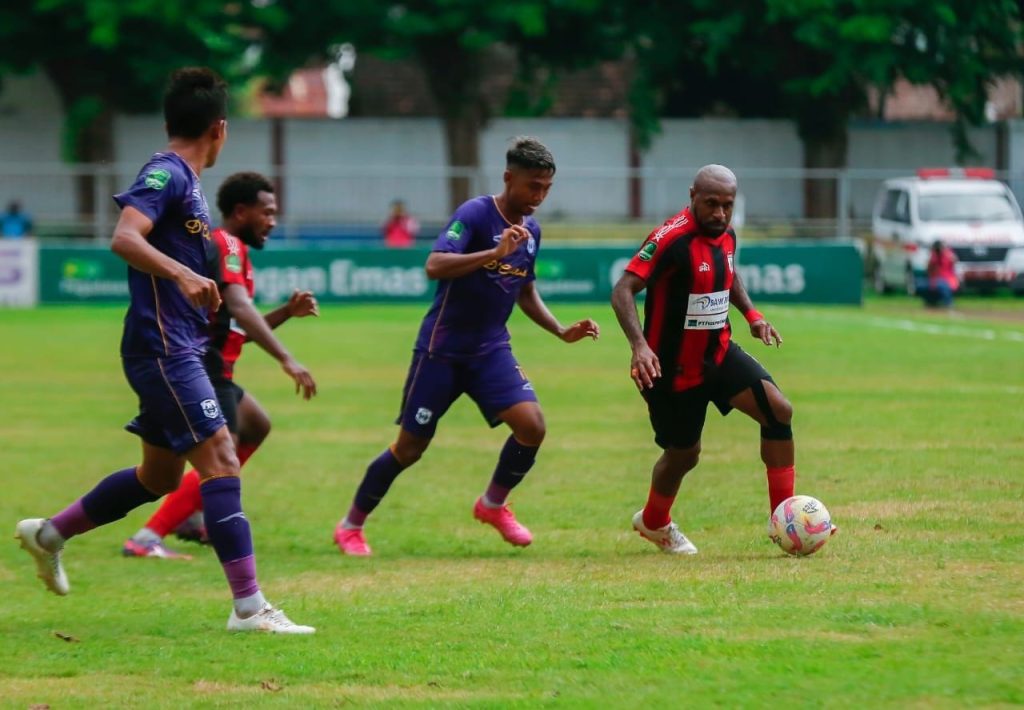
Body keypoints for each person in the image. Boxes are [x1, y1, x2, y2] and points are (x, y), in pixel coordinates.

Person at [13, 68, 314, 633]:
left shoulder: (191, 186)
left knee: (159, 477)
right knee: (223, 460)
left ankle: (49, 533)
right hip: (162, 349)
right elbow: (124, 237)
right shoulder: (166, 173)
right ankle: (249, 607)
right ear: (219, 128)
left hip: (179, 348)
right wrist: (179, 273)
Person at [334, 136, 600, 556]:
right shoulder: (475, 214)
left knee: (532, 426)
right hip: (442, 351)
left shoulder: (531, 231)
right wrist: (492, 251)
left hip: (491, 350)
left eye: (546, 188)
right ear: (508, 177)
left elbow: (525, 290)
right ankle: (351, 526)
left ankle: (492, 505)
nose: (539, 196)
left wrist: (560, 330)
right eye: (533, 185)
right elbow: (434, 265)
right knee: (409, 449)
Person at [610, 164, 826, 555]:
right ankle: (654, 521)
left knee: (779, 411)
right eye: (711, 204)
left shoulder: (726, 234)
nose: (720, 214)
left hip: (718, 355)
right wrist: (639, 347)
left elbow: (729, 272)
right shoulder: (671, 239)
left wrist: (753, 315)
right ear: (692, 195)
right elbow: (623, 289)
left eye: (727, 205)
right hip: (670, 371)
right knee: (684, 454)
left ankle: (787, 521)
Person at [122, 171, 319, 560]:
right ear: (241, 212)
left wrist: (285, 313)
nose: (272, 221)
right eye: (267, 212)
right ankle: (147, 537)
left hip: (212, 366)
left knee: (256, 425)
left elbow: (235, 323)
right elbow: (241, 309)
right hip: (202, 366)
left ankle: (194, 513)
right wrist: (286, 358)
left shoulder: (234, 251)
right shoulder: (226, 243)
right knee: (216, 457)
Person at [922, 240, 959, 308]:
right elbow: (929, 268)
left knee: (942, 285)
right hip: (935, 279)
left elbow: (954, 260)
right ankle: (931, 302)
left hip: (948, 278)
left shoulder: (948, 254)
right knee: (924, 285)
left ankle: (948, 303)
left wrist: (946, 253)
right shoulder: (934, 256)